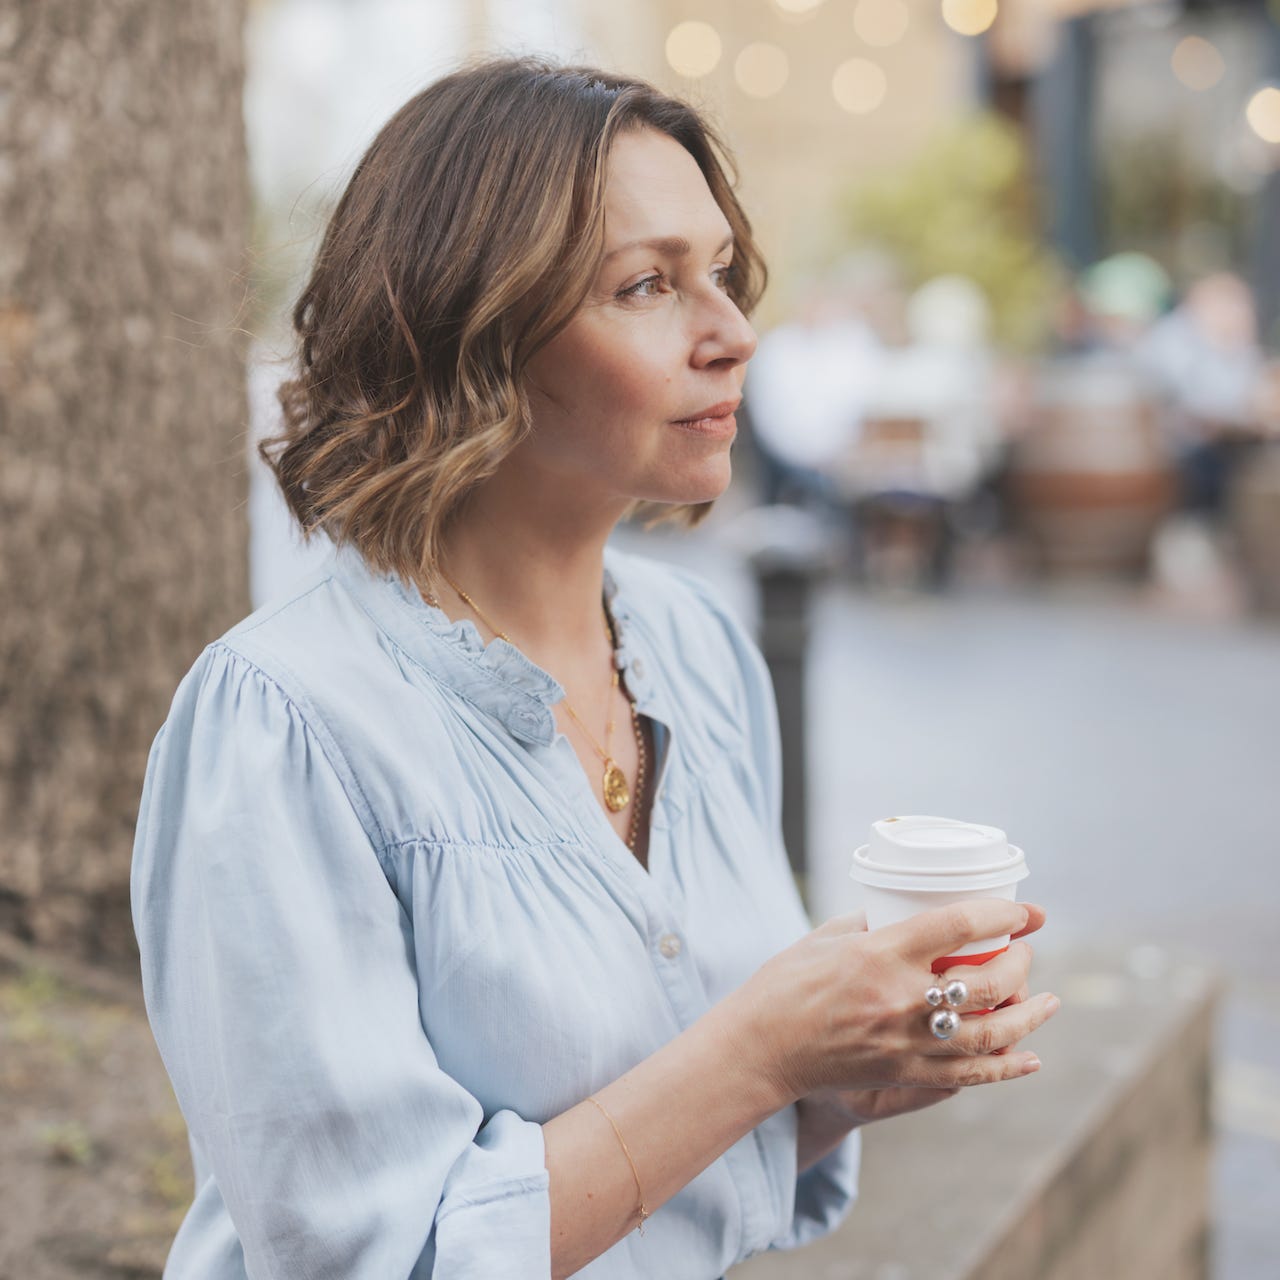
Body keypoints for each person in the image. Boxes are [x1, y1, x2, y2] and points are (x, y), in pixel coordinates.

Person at [131, 59, 1057, 1280]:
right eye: (646, 285)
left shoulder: (697, 650)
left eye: (719, 272)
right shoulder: (287, 723)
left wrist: (851, 1063)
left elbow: (700, 1141)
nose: (730, 333)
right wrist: (761, 1049)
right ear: (475, 332)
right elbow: (371, 1254)